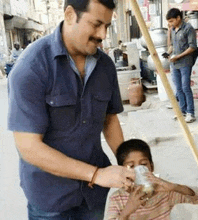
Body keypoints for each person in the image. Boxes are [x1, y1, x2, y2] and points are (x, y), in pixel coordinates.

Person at [7, 0, 135, 219]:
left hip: (94, 195)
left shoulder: (105, 66)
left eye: (107, 26)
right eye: (96, 24)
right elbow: (28, 147)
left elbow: (109, 119)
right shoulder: (32, 67)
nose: (103, 35)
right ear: (69, 14)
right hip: (50, 199)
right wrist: (95, 174)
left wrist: (131, 164)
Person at [107, 139, 198, 220]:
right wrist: (126, 212)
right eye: (131, 166)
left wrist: (174, 187)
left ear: (151, 167)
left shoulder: (164, 191)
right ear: (122, 172)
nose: (138, 171)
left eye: (143, 165)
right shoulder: (117, 199)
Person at [165, 8, 197, 123]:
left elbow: (192, 47)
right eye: (169, 22)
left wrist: (178, 56)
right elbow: (172, 46)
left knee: (185, 88)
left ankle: (190, 113)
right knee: (178, 89)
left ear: (178, 18)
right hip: (175, 64)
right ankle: (182, 111)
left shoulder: (188, 28)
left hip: (185, 63)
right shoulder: (173, 29)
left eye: (172, 21)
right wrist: (167, 53)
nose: (170, 24)